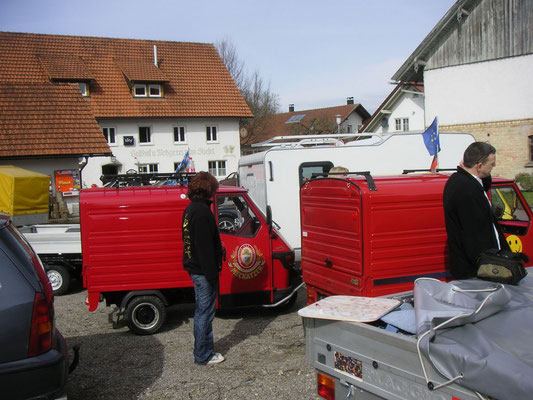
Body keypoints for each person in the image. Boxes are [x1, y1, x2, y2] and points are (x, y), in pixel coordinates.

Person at [443, 142, 510, 279]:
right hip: (476, 270)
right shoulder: (467, 190)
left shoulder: (460, 180)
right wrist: (491, 266)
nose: (494, 166)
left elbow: (483, 183)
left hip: (473, 266)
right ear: (479, 166)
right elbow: (475, 236)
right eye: (491, 164)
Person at [182, 171, 225, 365]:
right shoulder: (201, 212)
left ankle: (203, 352)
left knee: (202, 313)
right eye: (214, 189)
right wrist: (212, 275)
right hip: (202, 271)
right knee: (204, 314)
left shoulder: (191, 209)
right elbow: (204, 248)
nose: (215, 193)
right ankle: (203, 355)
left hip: (197, 269)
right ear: (209, 189)